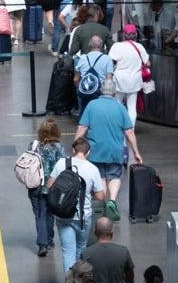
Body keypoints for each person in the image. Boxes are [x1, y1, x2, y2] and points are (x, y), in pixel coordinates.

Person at [75, 81, 143, 221]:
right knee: (115, 176)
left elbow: (82, 128)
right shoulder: (120, 107)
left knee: (100, 177)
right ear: (114, 92)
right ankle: (112, 201)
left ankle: (101, 205)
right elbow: (129, 132)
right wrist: (136, 152)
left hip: (95, 151)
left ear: (101, 90)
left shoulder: (92, 105)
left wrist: (75, 145)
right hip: (115, 151)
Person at [47, 137, 105, 273]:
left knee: (68, 252)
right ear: (88, 152)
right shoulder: (93, 169)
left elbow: (49, 186)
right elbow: (100, 196)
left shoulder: (61, 163)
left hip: (64, 214)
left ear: (73, 150)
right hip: (83, 217)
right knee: (81, 249)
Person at [79, 217, 135, 283]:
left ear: (95, 232)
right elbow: (130, 278)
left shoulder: (86, 253)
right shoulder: (123, 251)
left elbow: (81, 280)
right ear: (112, 232)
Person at [28, 117, 65, 257]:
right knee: (49, 213)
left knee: (39, 214)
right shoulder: (59, 148)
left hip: (35, 185)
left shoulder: (33, 145)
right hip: (51, 187)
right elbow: (62, 166)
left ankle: (42, 244)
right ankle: (49, 240)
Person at [108, 25, 150, 124]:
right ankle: (130, 129)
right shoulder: (140, 47)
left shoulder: (117, 46)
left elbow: (110, 60)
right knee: (132, 107)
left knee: (117, 104)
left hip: (120, 78)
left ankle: (118, 127)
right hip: (134, 79)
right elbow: (148, 63)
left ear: (123, 35)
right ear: (136, 35)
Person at [73, 36, 113, 114]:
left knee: (84, 114)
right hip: (100, 93)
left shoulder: (82, 58)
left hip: (85, 92)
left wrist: (80, 90)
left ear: (89, 45)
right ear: (102, 45)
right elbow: (109, 80)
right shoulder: (107, 59)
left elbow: (76, 79)